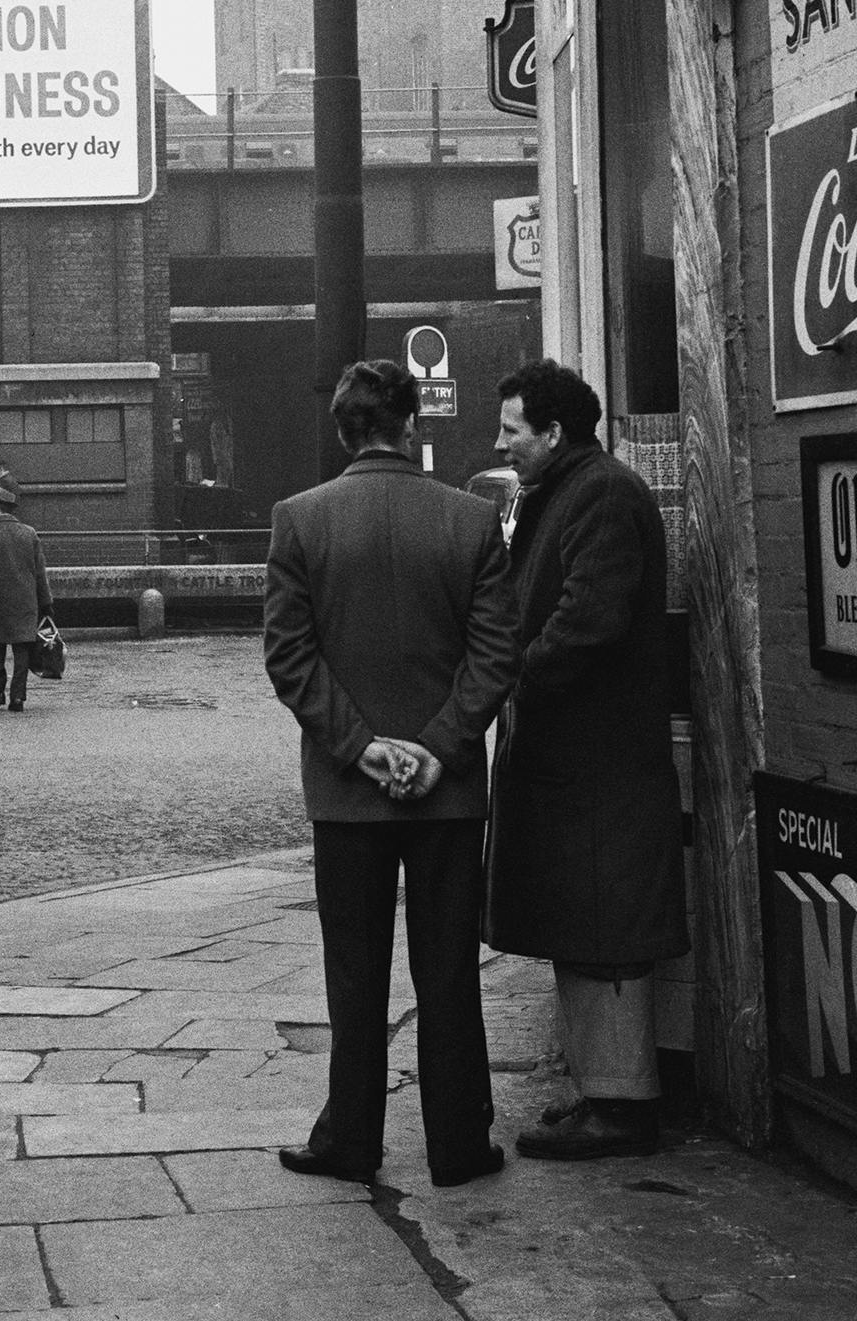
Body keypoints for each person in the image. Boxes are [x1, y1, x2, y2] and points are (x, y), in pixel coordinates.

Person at [263, 360, 522, 1190]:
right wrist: (438, 746)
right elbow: (495, 655)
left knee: (354, 971)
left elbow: (289, 655)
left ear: (343, 431)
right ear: (411, 425)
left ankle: (352, 1137)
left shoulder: (298, 521)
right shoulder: (472, 520)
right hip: (447, 794)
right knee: (447, 970)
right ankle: (456, 1139)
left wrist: (364, 748)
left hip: (346, 793)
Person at [485, 359, 688, 1161]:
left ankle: (625, 1107)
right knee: (586, 921)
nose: (501, 442)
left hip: (597, 758)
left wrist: (519, 676)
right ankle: (601, 1091)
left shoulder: (599, 493)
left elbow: (588, 617)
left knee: (606, 925)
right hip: (580, 758)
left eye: (511, 430)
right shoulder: (571, 489)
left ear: (554, 432)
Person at [0, 475, 51, 713]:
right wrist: (46, 602)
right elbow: (39, 572)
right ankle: (18, 697)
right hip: (26, 602)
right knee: (22, 649)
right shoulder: (29, 533)